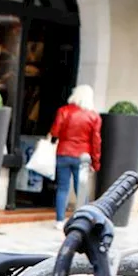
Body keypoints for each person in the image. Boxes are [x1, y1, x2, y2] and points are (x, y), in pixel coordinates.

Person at [49, 85, 102, 223]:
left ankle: (59, 221)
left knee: (62, 188)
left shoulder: (63, 111)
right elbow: (96, 142)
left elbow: (55, 132)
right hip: (83, 157)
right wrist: (96, 162)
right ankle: (82, 220)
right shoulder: (93, 116)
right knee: (81, 190)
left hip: (63, 152)